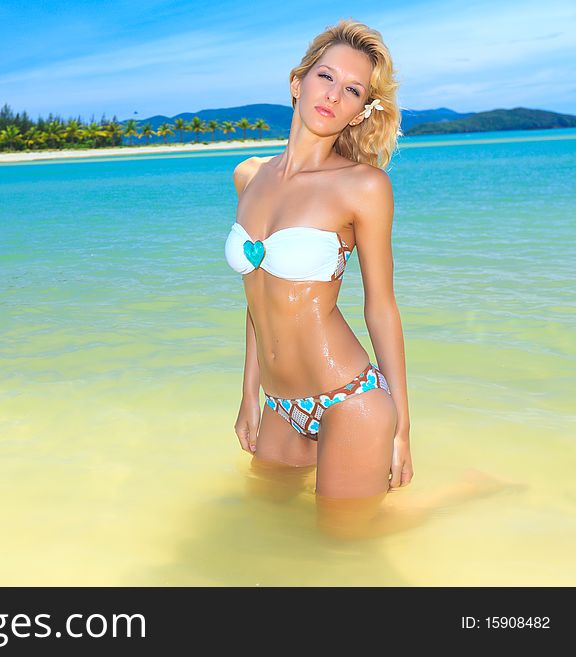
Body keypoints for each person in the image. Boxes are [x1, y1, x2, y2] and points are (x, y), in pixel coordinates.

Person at [225, 19, 412, 537]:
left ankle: (458, 505)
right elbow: (256, 298)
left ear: (360, 110)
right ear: (296, 82)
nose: (333, 95)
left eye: (352, 90)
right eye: (325, 77)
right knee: (263, 531)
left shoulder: (364, 186)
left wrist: (402, 426)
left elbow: (381, 306)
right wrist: (249, 395)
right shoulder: (248, 176)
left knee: (342, 551)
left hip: (350, 399)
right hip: (281, 404)